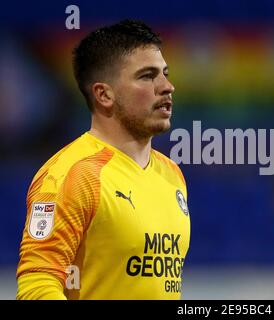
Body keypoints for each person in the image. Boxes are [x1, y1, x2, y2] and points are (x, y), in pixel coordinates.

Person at [16, 19, 190, 300]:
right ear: (104, 94)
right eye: (147, 76)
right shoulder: (74, 174)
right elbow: (37, 286)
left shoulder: (171, 174)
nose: (167, 86)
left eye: (164, 74)